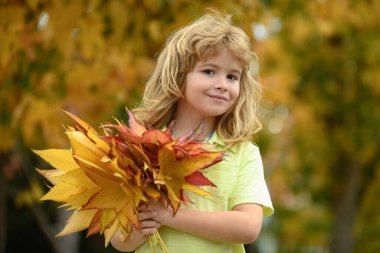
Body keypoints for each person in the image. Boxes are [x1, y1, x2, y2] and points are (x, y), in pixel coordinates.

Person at [111, 11, 274, 253]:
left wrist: (168, 215)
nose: (222, 84)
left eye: (232, 76)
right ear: (178, 77)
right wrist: (137, 230)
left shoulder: (242, 153)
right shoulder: (142, 148)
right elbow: (117, 238)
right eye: (209, 71)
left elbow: (248, 226)